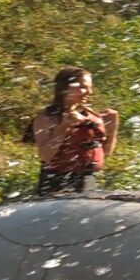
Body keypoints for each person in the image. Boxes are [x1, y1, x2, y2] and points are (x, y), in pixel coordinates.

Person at [29, 67, 118, 195]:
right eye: (83, 87)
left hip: (88, 180)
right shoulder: (46, 118)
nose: (89, 92)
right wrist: (64, 127)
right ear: (65, 88)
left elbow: (106, 152)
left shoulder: (92, 116)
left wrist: (112, 128)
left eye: (90, 87)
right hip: (57, 182)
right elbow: (45, 156)